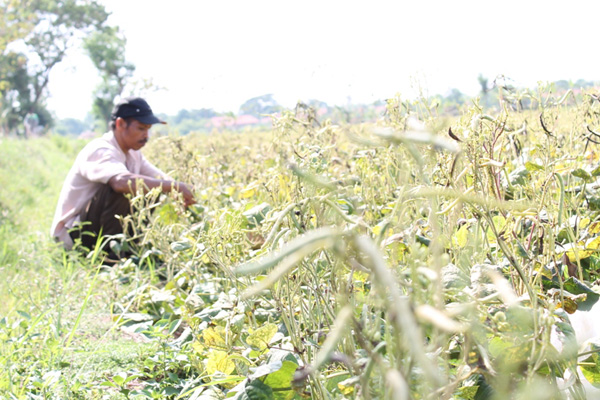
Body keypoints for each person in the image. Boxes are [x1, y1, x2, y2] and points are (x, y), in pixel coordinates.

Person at [50, 96, 195, 256]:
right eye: (141, 128)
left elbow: (161, 180)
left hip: (95, 229)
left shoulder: (133, 154)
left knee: (153, 188)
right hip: (74, 236)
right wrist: (173, 187)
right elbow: (121, 182)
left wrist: (180, 190)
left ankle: (128, 249)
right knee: (127, 187)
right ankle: (112, 257)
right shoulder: (100, 149)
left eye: (148, 129)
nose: (146, 135)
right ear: (120, 124)